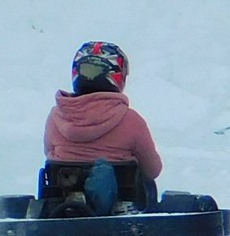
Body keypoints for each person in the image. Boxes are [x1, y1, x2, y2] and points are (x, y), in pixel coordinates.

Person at [42, 41, 163, 213]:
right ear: (116, 76)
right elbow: (152, 170)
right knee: (147, 184)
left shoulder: (56, 117)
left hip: (61, 206)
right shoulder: (131, 120)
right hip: (118, 210)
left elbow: (48, 153)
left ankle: (75, 203)